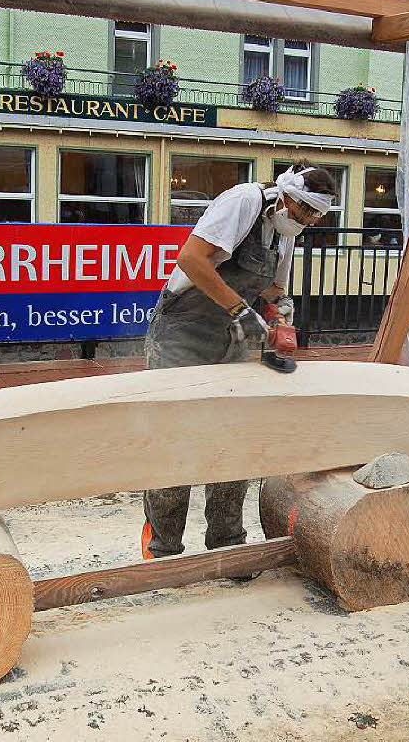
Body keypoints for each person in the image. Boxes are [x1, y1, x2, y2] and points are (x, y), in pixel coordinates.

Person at [141, 161, 336, 560]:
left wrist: (278, 309)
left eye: (316, 216)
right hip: (183, 330)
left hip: (229, 335)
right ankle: (163, 549)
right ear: (286, 197)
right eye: (304, 211)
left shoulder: (285, 233)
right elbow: (192, 260)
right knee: (176, 441)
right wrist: (239, 311)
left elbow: (272, 286)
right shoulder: (244, 201)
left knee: (232, 441)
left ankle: (227, 545)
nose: (308, 220)